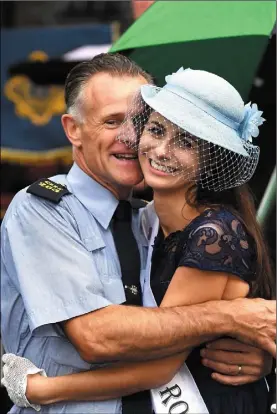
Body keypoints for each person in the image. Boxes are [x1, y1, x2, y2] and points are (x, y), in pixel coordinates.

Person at [1, 55, 275, 414]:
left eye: (140, 122)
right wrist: (232, 317)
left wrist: (255, 353)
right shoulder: (42, 209)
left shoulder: (156, 219)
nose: (132, 138)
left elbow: (171, 351)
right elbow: (97, 337)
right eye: (113, 121)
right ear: (73, 130)